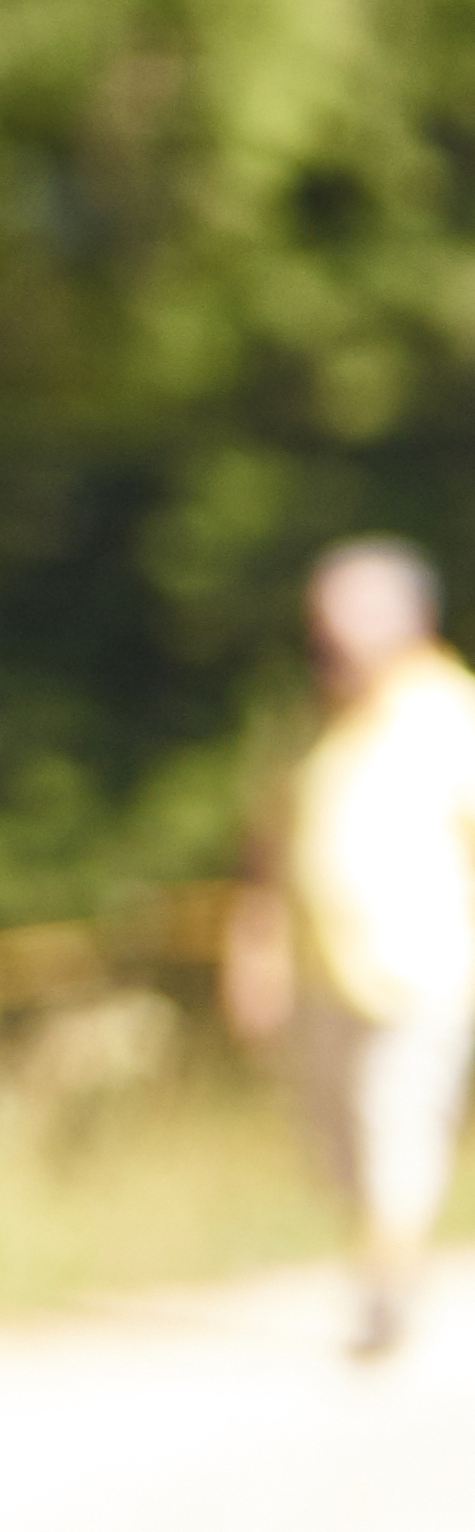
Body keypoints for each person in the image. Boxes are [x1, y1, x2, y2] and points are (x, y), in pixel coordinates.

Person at [232, 534, 475, 1360]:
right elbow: (268, 851)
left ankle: (386, 1289)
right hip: (323, 976)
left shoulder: (453, 715)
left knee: (396, 1124)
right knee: (337, 1141)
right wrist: (255, 950)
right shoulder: (318, 725)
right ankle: (386, 1259)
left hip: (423, 972)